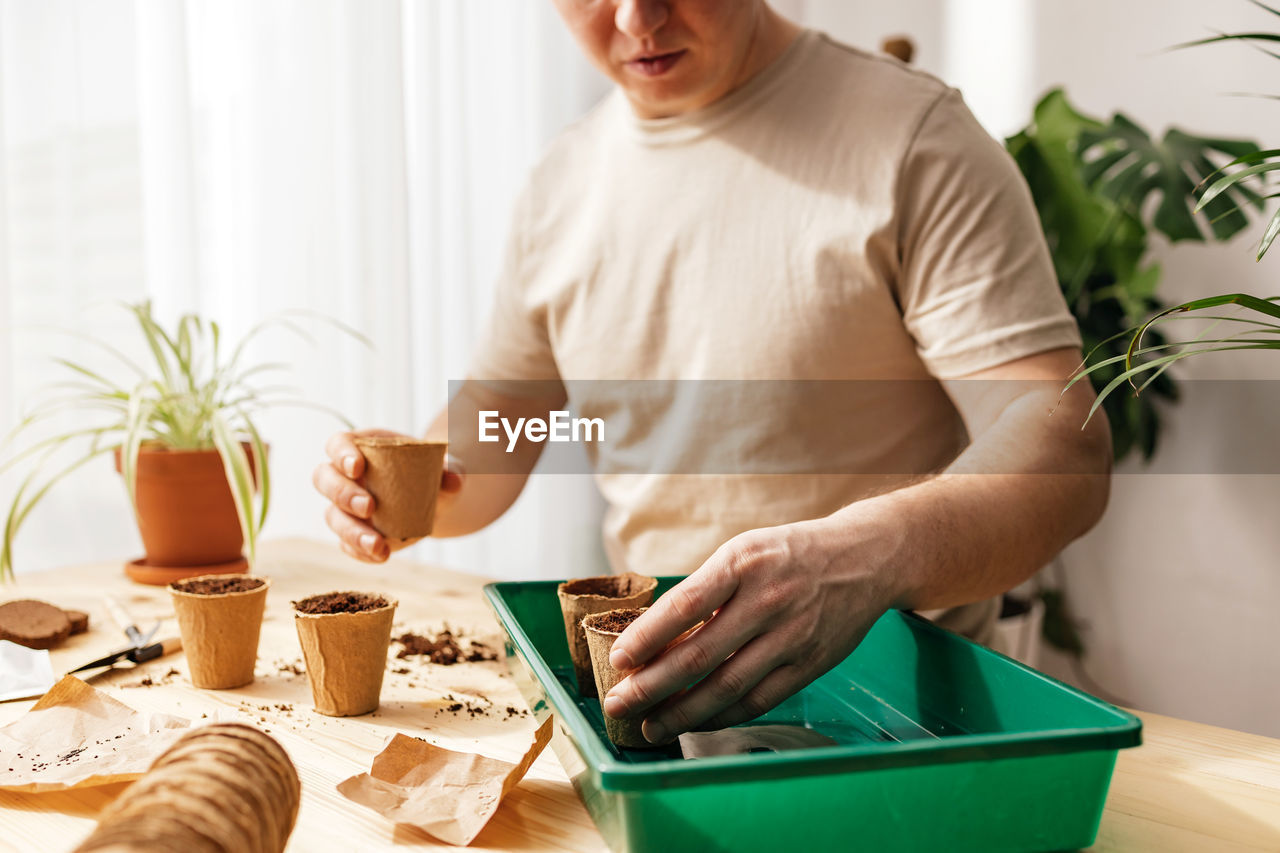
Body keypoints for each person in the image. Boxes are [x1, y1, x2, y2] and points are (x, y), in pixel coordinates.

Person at [314, 0, 1111, 746]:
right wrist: (411, 484)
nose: (635, 18)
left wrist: (861, 555)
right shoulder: (561, 183)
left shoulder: (915, 139)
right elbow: (504, 419)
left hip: (888, 729)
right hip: (646, 723)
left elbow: (1064, 447)